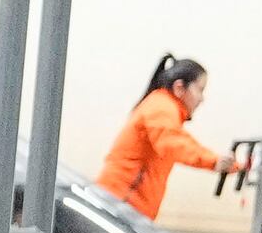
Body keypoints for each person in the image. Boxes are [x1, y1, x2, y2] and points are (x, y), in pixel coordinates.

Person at [96, 54, 228, 222]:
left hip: (125, 206)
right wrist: (215, 161)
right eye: (200, 90)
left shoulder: (164, 108)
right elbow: (173, 144)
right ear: (180, 88)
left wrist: (228, 164)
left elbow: (181, 140)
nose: (202, 99)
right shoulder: (161, 108)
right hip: (121, 205)